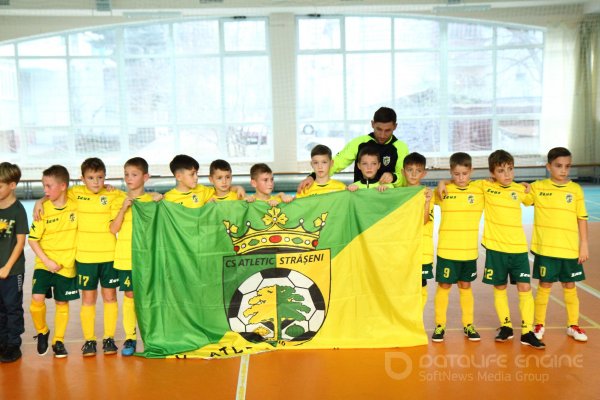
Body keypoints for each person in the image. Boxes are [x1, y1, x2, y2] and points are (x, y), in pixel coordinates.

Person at [476, 150, 544, 349]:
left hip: (518, 249)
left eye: (510, 169)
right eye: (501, 170)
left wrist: (528, 188)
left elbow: (531, 200)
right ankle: (505, 326)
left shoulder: (518, 189)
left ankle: (527, 331)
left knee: (525, 287)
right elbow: (462, 182)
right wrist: (443, 183)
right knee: (500, 287)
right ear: (492, 173)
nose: (507, 174)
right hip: (496, 249)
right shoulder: (486, 187)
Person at [530, 147, 589, 342]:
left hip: (570, 249)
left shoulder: (575, 190)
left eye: (567, 166)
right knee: (545, 285)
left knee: (570, 285)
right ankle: (538, 324)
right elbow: (517, 194)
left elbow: (581, 218)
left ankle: (573, 325)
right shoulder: (538, 187)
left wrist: (584, 244)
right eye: (558, 166)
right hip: (546, 248)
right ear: (549, 166)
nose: (563, 170)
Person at [431, 152, 484, 343]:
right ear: (451, 172)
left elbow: (501, 183)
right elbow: (426, 197)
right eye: (456, 174)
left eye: (464, 173)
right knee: (444, 285)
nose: (460, 178)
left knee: (465, 286)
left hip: (469, 251)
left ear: (471, 171)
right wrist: (441, 183)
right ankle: (440, 325)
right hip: (447, 250)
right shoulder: (444, 191)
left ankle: (468, 325)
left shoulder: (480, 190)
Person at [28, 165, 79, 358]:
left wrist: (108, 187)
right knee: (36, 300)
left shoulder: (76, 203)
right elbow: (32, 239)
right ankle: (42, 331)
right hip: (44, 262)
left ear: (64, 186)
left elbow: (92, 190)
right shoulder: (43, 210)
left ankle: (59, 341)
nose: (45, 190)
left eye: (49, 186)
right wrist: (47, 261)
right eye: (44, 186)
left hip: (66, 265)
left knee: (61, 302)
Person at [297, 107, 409, 193]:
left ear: (395, 126)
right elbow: (337, 163)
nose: (382, 135)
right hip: (360, 198)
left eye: (387, 130)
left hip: (387, 200)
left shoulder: (401, 147)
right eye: (378, 129)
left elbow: (405, 178)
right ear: (372, 124)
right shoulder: (359, 143)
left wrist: (393, 177)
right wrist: (312, 177)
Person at [109, 157, 153, 356]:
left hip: (147, 258)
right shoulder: (119, 199)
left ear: (145, 177)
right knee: (129, 295)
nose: (129, 178)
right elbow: (113, 228)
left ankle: (152, 335)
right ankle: (130, 337)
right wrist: (123, 208)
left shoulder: (152, 200)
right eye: (126, 174)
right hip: (126, 257)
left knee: (149, 295)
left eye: (134, 175)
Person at [0, 162, 28, 363]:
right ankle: (2, 341)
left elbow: (20, 242)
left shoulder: (18, 210)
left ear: (12, 185)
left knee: (12, 307)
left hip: (12, 270)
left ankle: (12, 345)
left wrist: (7, 267)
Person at [401, 152, 433, 311]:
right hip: (403, 250)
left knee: (420, 283)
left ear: (424, 173)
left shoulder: (427, 194)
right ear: (402, 171)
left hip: (422, 250)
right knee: (403, 285)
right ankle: (405, 320)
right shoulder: (397, 194)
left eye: (418, 170)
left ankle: (417, 320)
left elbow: (424, 221)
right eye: (409, 170)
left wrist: (426, 203)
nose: (413, 174)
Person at [165, 155, 245, 207]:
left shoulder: (203, 190)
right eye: (192, 174)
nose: (196, 177)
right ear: (179, 177)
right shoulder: (168, 198)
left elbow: (222, 189)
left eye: (197, 173)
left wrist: (238, 188)